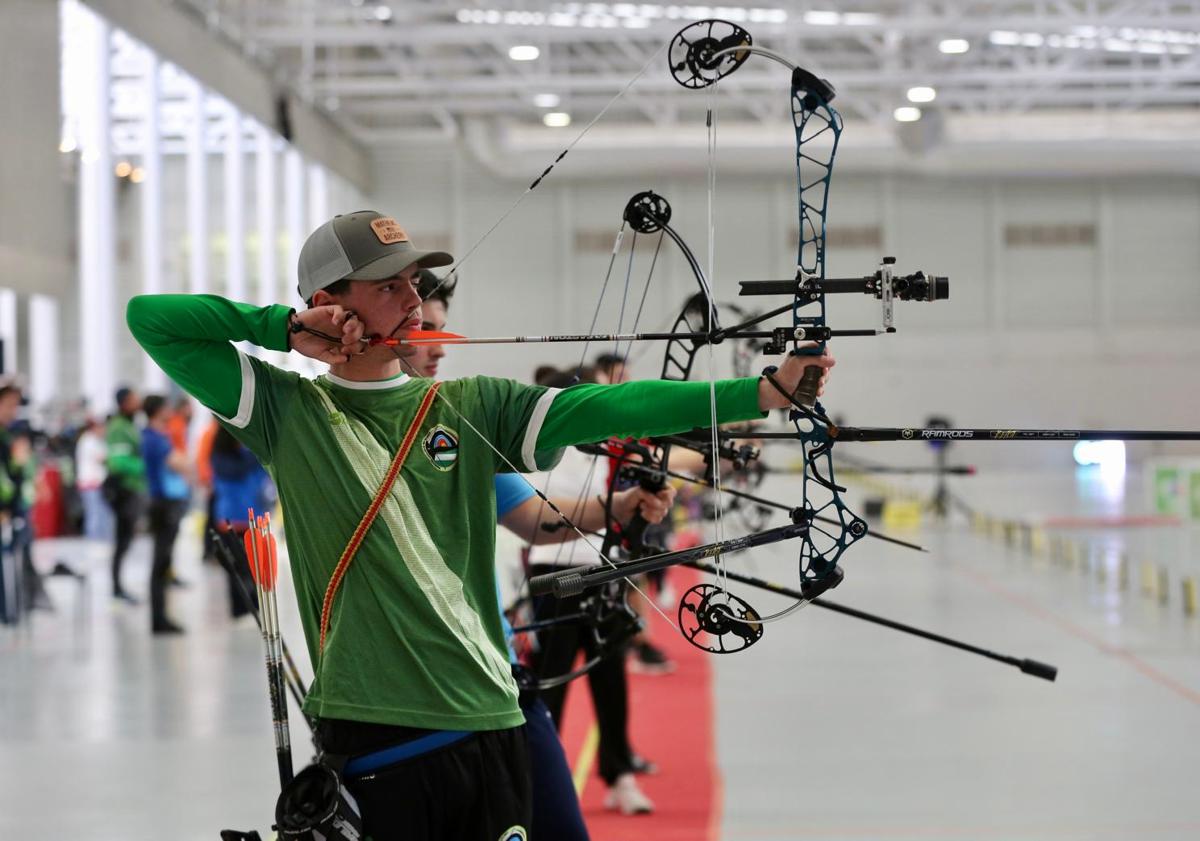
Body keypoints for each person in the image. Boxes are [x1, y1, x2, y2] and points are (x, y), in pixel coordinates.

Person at [127, 209, 831, 841]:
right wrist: (278, 330)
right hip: (375, 733)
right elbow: (149, 317)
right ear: (327, 304)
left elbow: (609, 407)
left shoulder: (472, 405)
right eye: (387, 287)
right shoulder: (284, 411)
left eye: (414, 284)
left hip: (488, 721)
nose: (412, 301)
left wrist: (760, 392)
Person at [410, 271, 672, 827]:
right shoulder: (337, 424)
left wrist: (620, 507)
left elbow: (537, 520)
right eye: (420, 328)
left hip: (497, 675)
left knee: (555, 816)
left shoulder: (458, 425)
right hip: (419, 694)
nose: (439, 345)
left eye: (441, 328)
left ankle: (619, 771)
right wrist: (292, 330)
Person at [140, 394, 191, 634]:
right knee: (160, 562)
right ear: (159, 411)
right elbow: (179, 463)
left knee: (164, 561)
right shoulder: (154, 438)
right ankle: (158, 619)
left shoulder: (160, 436)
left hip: (167, 502)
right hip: (163, 504)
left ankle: (161, 617)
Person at [209, 423, 271, 619]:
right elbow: (235, 471)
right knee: (237, 567)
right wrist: (255, 452)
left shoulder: (247, 454)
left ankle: (254, 605)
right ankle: (240, 609)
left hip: (254, 517)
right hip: (232, 520)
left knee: (255, 567)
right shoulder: (221, 458)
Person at [105, 387, 145, 603]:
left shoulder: (131, 425)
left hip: (133, 490)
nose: (137, 403)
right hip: (123, 491)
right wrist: (145, 465)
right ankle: (117, 588)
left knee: (126, 540)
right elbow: (117, 462)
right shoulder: (119, 427)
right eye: (132, 400)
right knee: (122, 541)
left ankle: (119, 586)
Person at [75, 417, 112, 541]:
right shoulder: (88, 441)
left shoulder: (96, 440)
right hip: (90, 484)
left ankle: (103, 541)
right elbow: (103, 458)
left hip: (97, 484)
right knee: (94, 515)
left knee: (102, 515)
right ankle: (93, 542)